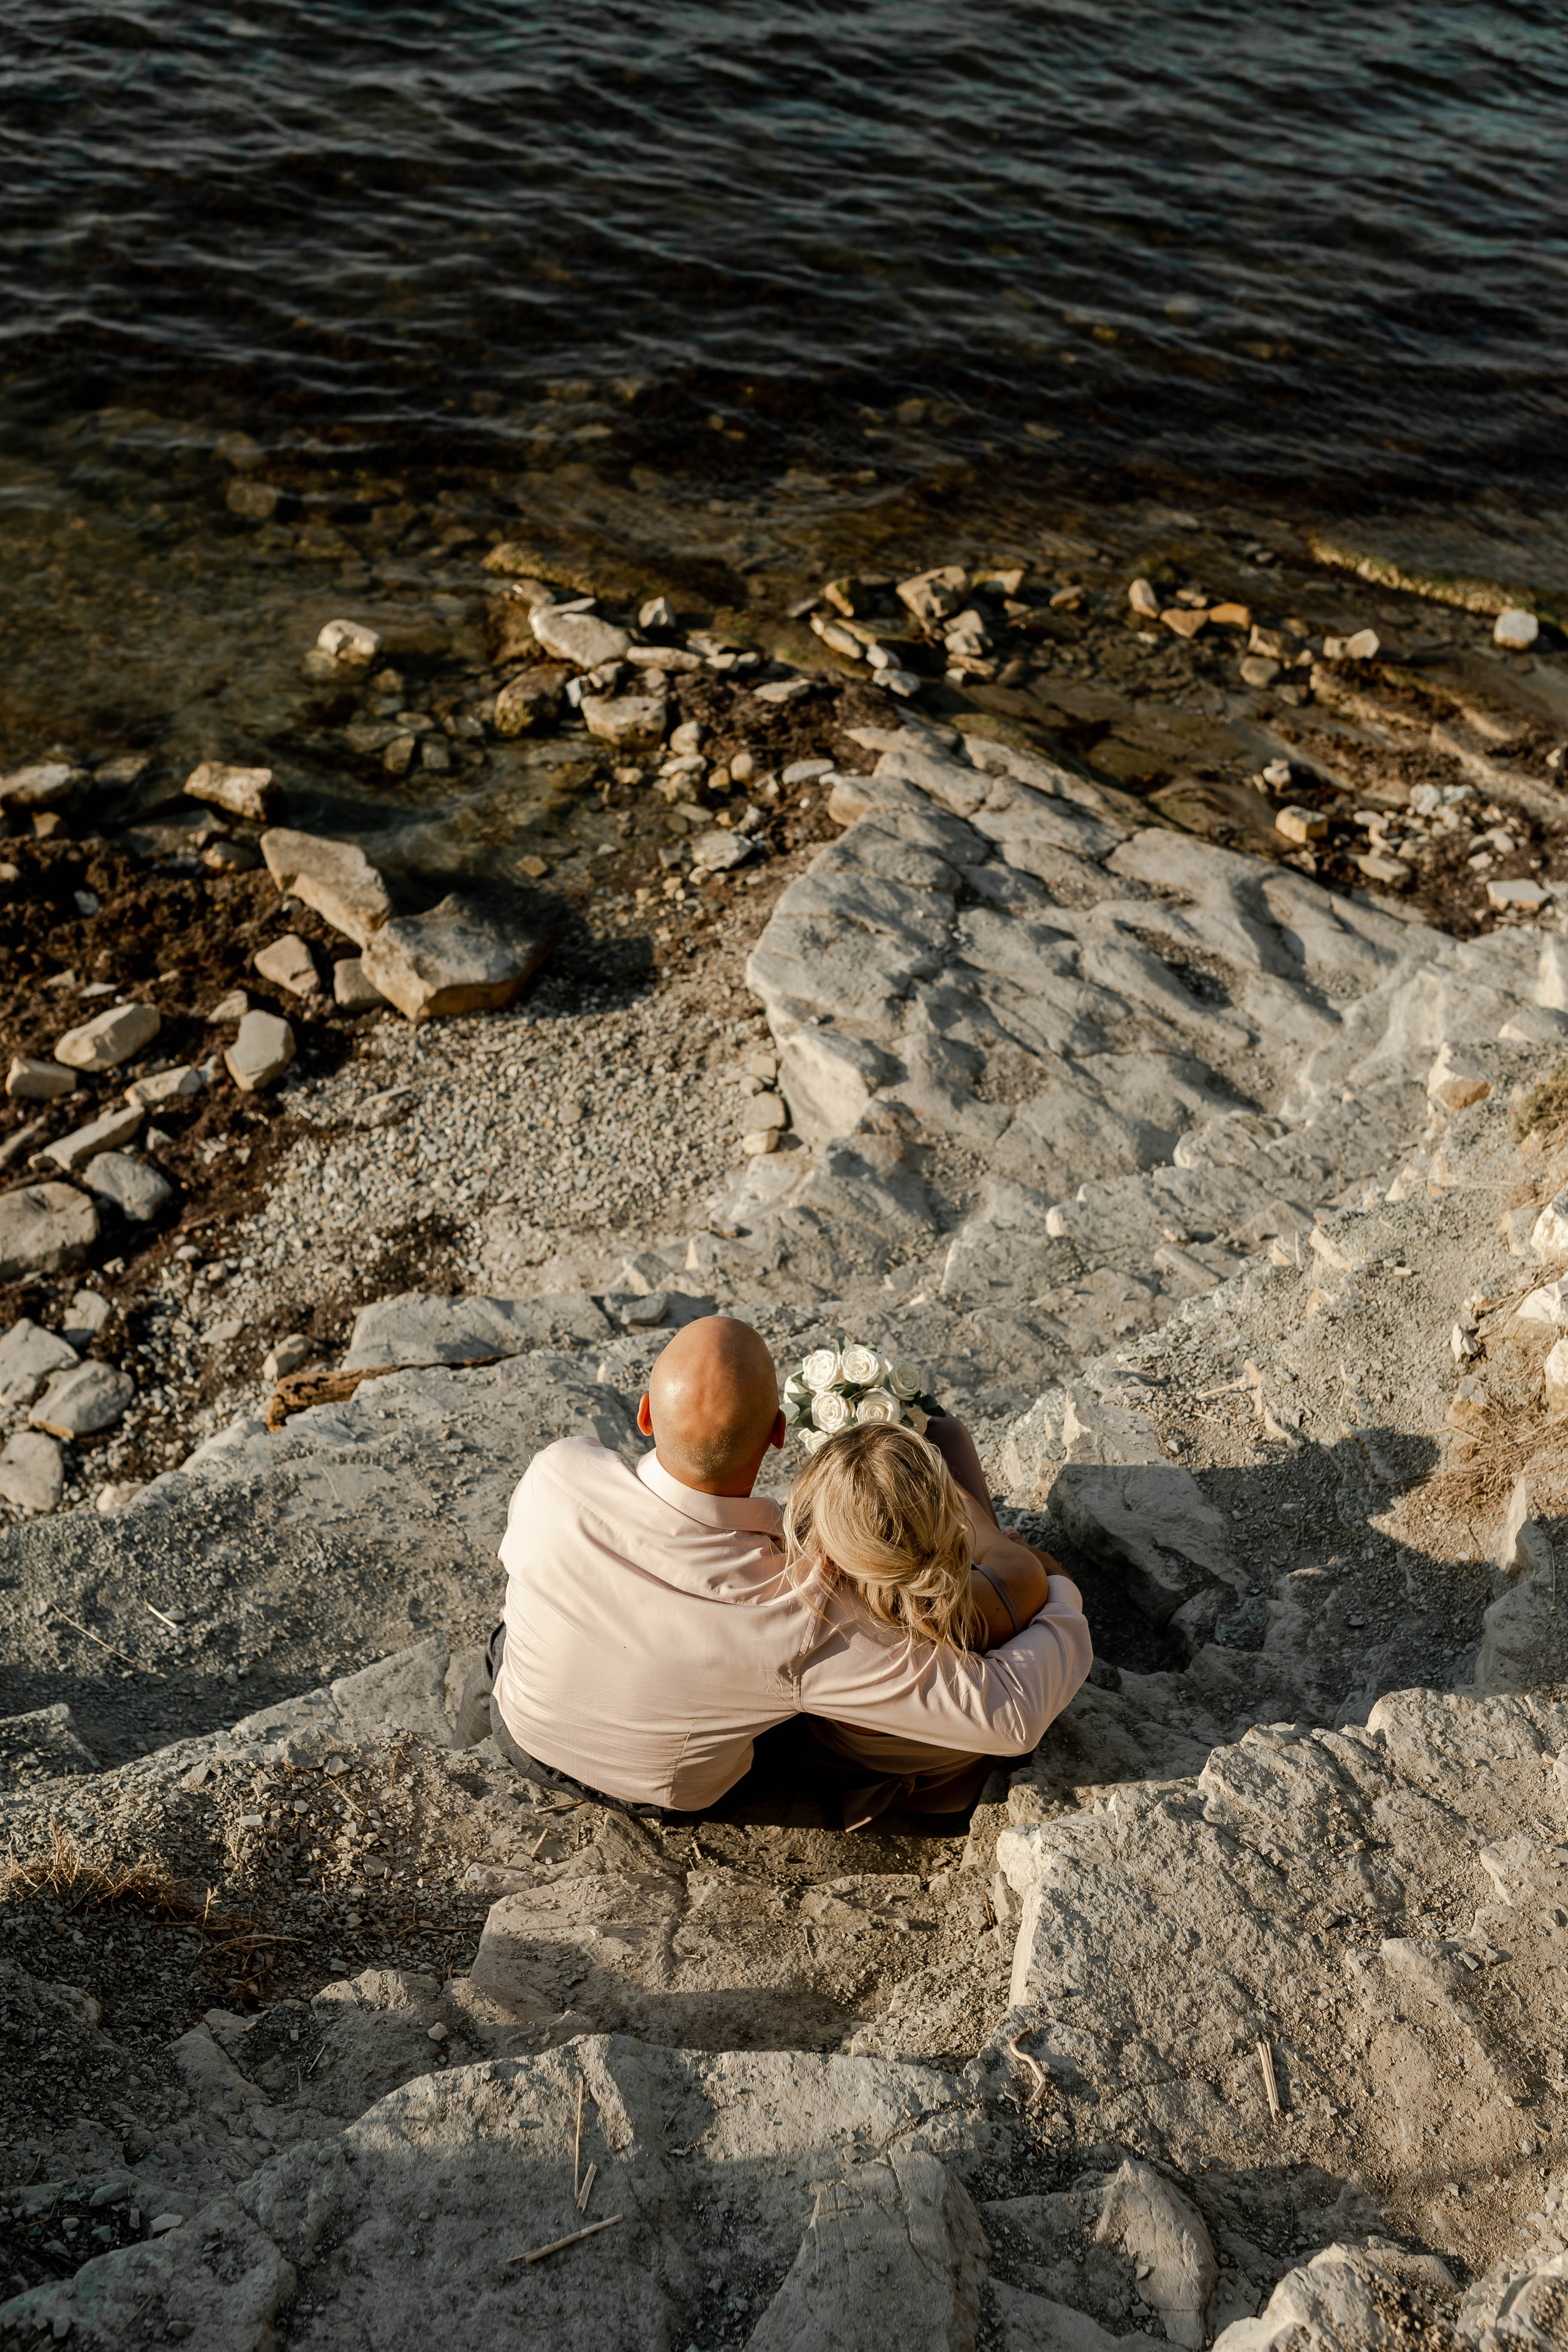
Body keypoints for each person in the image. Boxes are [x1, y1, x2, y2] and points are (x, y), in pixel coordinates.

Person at [458, 1314, 1091, 1828]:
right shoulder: (798, 1611)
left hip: (518, 1726)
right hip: (651, 1790)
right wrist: (1062, 1596)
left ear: (646, 1414)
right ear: (780, 1434)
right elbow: (1008, 1718)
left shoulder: (558, 1472)